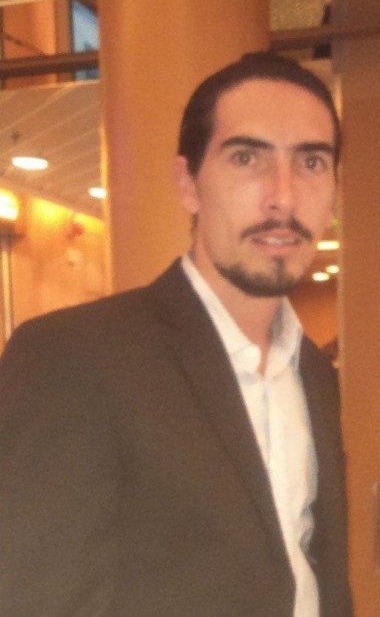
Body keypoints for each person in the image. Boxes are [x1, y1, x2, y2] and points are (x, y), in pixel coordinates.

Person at [0, 52, 352, 616]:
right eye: (247, 158)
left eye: (311, 162)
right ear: (189, 184)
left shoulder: (312, 370)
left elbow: (310, 568)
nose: (284, 196)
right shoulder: (72, 359)